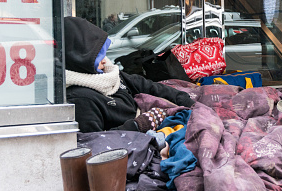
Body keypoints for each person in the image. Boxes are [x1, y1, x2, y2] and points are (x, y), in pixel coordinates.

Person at [64, 16, 195, 133]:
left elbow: (145, 85)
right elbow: (96, 143)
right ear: (78, 58)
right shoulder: (81, 99)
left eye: (102, 53)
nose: (104, 60)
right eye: (97, 56)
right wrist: (138, 125)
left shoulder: (108, 74)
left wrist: (184, 99)